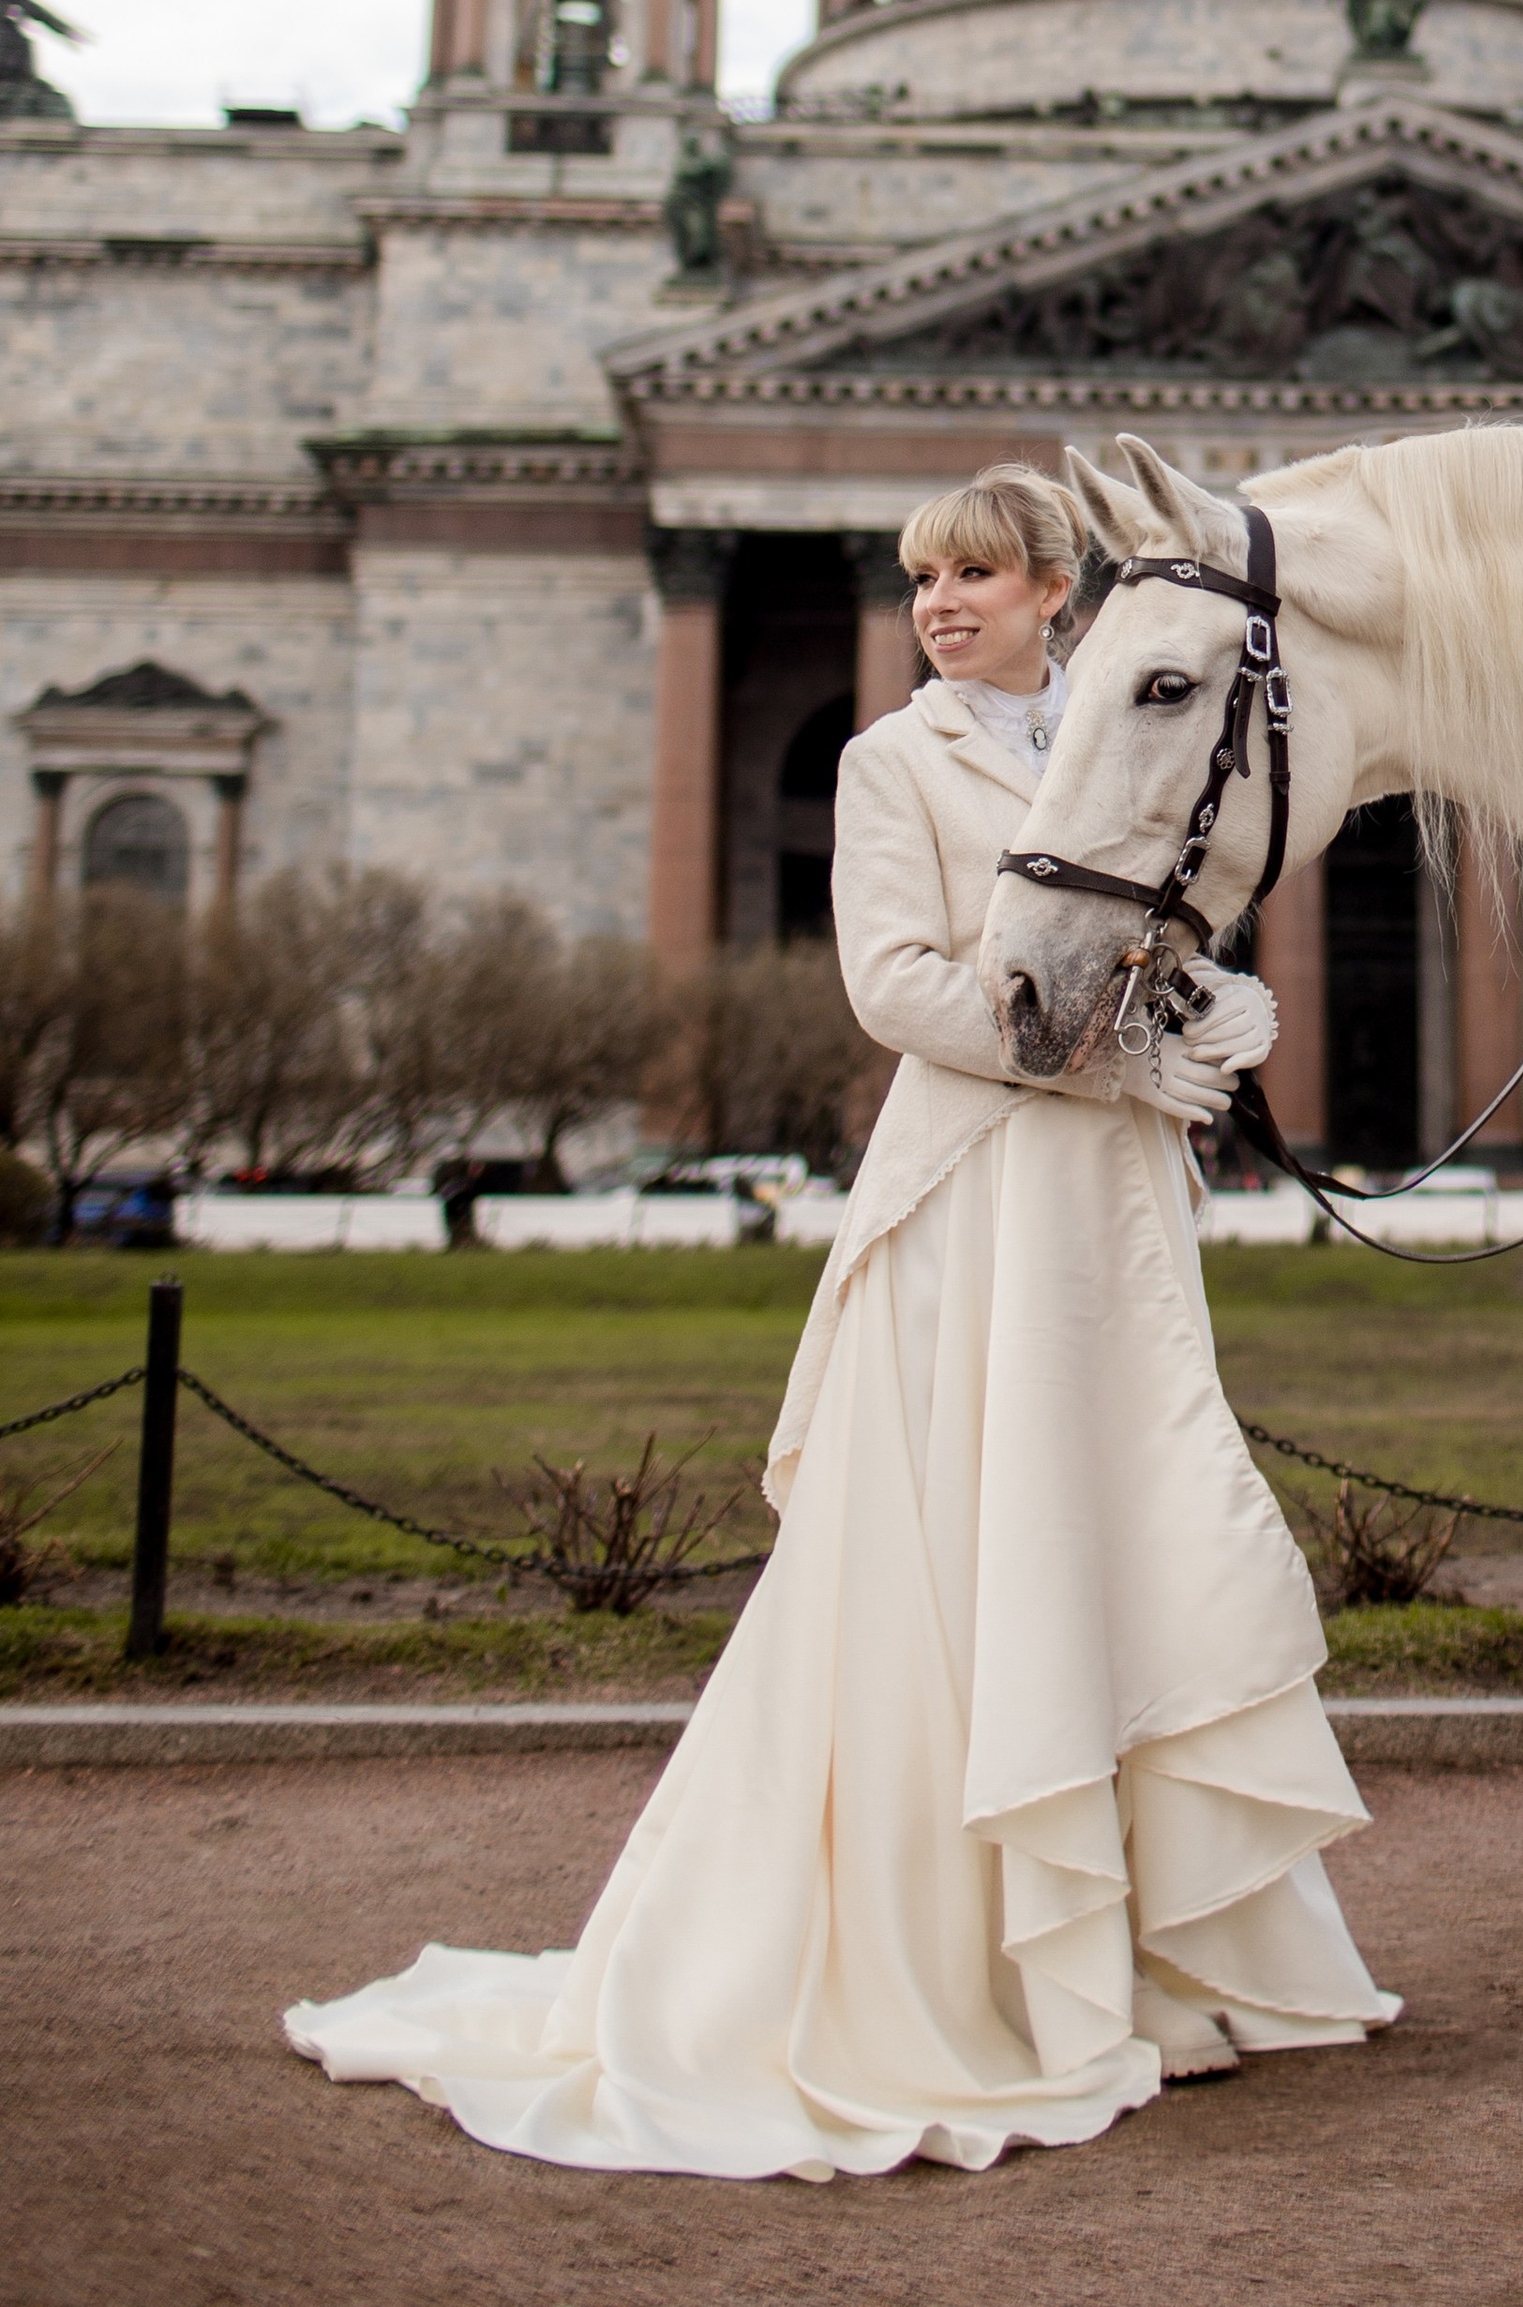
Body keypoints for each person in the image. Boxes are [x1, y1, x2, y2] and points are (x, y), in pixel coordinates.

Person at [284, 461, 1395, 2175]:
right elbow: (892, 982)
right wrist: (1106, 1053)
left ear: (1058, 592)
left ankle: (1167, 1962)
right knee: (965, 1557)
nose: (940, 602)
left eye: (972, 574)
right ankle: (987, 1976)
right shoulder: (895, 759)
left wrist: (1202, 1009)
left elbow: (1163, 923)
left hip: (1109, 1211)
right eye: (922, 578)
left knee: (1126, 1536)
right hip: (974, 1195)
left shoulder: (1124, 728)